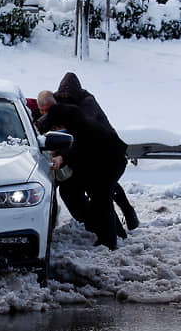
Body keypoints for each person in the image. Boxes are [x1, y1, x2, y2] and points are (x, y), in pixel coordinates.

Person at [44, 73, 139, 231]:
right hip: (85, 150)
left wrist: (62, 153)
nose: (65, 99)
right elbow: (50, 115)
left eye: (68, 97)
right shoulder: (59, 100)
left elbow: (79, 129)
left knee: (102, 190)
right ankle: (110, 225)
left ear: (76, 94)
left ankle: (119, 222)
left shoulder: (87, 103)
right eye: (62, 96)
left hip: (103, 150)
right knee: (101, 190)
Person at [46, 103, 127, 250]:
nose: (57, 129)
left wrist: (61, 158)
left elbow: (80, 147)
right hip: (95, 163)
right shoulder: (75, 122)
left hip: (111, 163)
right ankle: (111, 231)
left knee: (101, 199)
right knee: (72, 191)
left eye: (58, 125)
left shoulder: (85, 127)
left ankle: (109, 241)